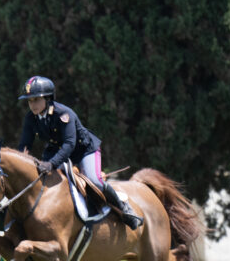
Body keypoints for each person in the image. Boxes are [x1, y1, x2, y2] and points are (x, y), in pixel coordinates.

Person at [17, 75, 142, 229]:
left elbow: (70, 143)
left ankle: (124, 208)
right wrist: (21, 163)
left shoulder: (63, 114)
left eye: (36, 99)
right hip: (57, 149)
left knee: (94, 180)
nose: (32, 104)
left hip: (83, 149)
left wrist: (52, 163)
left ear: (48, 98)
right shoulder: (30, 118)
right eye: (29, 101)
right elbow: (25, 144)